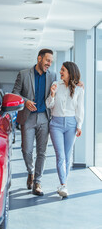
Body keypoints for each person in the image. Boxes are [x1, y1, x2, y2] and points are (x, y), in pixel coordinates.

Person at [12, 49, 56, 196]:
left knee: (42, 152)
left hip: (44, 117)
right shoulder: (24, 74)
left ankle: (37, 181)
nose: (49, 64)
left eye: (51, 61)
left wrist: (78, 84)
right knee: (26, 150)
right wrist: (25, 101)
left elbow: (62, 87)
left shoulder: (53, 76)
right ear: (39, 58)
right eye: (47, 60)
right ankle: (30, 171)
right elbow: (15, 93)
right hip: (28, 117)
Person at [46, 61, 84, 197]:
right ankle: (63, 184)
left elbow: (80, 109)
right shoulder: (56, 85)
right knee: (60, 156)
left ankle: (63, 184)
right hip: (55, 124)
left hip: (71, 124)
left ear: (70, 72)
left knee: (68, 157)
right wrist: (52, 94)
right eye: (61, 70)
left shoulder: (79, 89)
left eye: (63, 70)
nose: (60, 72)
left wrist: (79, 126)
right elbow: (49, 105)